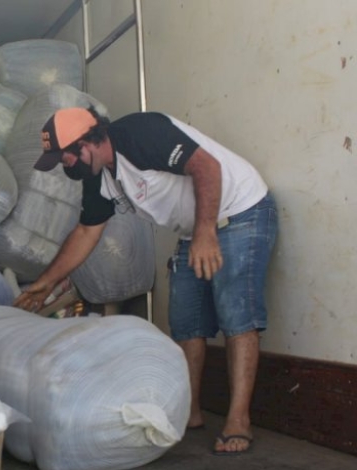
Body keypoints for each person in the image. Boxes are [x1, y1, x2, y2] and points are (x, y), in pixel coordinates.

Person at [14, 107, 277, 455]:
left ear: (88, 141)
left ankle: (238, 421)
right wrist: (47, 282)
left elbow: (206, 167)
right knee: (185, 322)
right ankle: (188, 411)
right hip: (194, 228)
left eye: (67, 157)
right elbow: (86, 231)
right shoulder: (100, 175)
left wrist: (205, 233)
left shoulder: (140, 133)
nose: (67, 167)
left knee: (236, 315)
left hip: (240, 212)